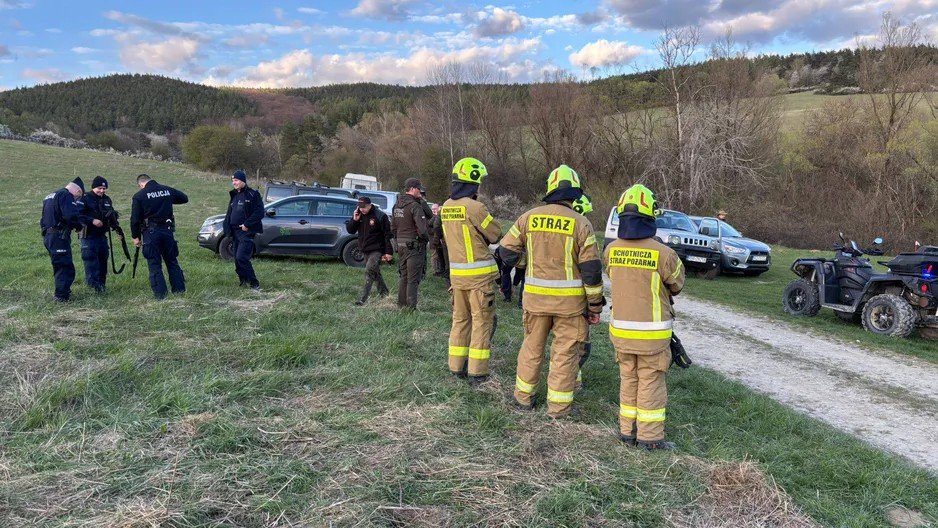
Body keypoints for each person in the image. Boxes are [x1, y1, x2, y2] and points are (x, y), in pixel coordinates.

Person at [498, 165, 605, 418]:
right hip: (570, 307)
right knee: (565, 355)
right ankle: (558, 408)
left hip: (534, 301)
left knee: (531, 348)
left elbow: (505, 252)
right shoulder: (582, 223)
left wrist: (526, 263)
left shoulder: (528, 217)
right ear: (574, 194)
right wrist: (595, 306)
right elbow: (591, 271)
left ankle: (523, 398)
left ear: (550, 190)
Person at [604, 184, 685, 450]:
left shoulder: (611, 250)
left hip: (621, 332)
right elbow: (677, 285)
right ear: (651, 215)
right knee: (650, 382)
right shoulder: (664, 254)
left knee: (628, 378)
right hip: (652, 335)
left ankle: (627, 432)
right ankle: (650, 438)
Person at [440, 157, 502, 382]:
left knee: (460, 321)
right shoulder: (475, 207)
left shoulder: (446, 206)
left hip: (457, 279)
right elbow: (495, 234)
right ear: (473, 182)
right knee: (481, 323)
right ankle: (478, 372)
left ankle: (456, 367)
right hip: (479, 280)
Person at [130, 173, 188, 300]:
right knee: (172, 261)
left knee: (154, 264)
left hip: (151, 233)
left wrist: (136, 237)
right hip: (167, 231)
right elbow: (184, 198)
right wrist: (167, 199)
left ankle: (160, 295)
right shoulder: (167, 190)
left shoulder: (139, 196)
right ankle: (179, 291)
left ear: (141, 184)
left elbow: (134, 220)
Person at [40, 177, 94, 302]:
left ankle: (61, 292)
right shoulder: (66, 195)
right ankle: (62, 296)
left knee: (58, 264)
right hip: (59, 235)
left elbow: (43, 218)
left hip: (48, 236)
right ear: (78, 191)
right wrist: (79, 226)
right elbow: (70, 215)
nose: (76, 199)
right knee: (64, 266)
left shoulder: (50, 196)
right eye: (77, 197)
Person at [79, 176, 123, 293]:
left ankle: (101, 287)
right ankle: (92, 289)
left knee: (103, 261)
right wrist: (92, 220)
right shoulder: (85, 198)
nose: (102, 191)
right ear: (93, 187)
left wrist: (117, 229)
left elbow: (111, 216)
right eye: (99, 188)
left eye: (104, 188)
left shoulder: (107, 199)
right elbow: (77, 215)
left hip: (102, 236)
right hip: (88, 236)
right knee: (91, 262)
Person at [391, 178, 429, 310]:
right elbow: (423, 230)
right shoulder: (415, 206)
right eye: (419, 189)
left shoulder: (396, 206)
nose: (420, 191)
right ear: (413, 189)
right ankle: (411, 308)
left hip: (400, 245)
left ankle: (401, 305)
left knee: (404, 277)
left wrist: (397, 242)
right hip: (414, 246)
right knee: (413, 279)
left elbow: (393, 228)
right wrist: (425, 239)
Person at [347, 196, 393, 305]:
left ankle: (363, 299)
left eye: (364, 207)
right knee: (375, 272)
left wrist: (388, 252)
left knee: (369, 271)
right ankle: (384, 294)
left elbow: (387, 235)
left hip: (377, 249)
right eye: (360, 207)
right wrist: (355, 220)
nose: (362, 209)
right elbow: (350, 230)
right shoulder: (359, 214)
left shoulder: (380, 216)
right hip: (365, 249)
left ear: (370, 205)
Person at [223, 169, 264, 290]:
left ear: (242, 181)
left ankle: (254, 283)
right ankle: (243, 281)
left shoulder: (253, 194)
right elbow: (229, 214)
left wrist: (247, 224)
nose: (234, 183)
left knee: (242, 257)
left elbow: (260, 212)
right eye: (233, 180)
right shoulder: (234, 195)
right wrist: (227, 228)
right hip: (234, 232)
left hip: (246, 232)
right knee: (237, 260)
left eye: (236, 180)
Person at [428, 203, 449, 279]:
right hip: (438, 240)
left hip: (440, 240)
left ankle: (443, 271)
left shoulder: (438, 216)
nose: (433, 210)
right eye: (432, 209)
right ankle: (442, 271)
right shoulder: (436, 216)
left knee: (442, 257)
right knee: (440, 257)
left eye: (435, 209)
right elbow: (432, 226)